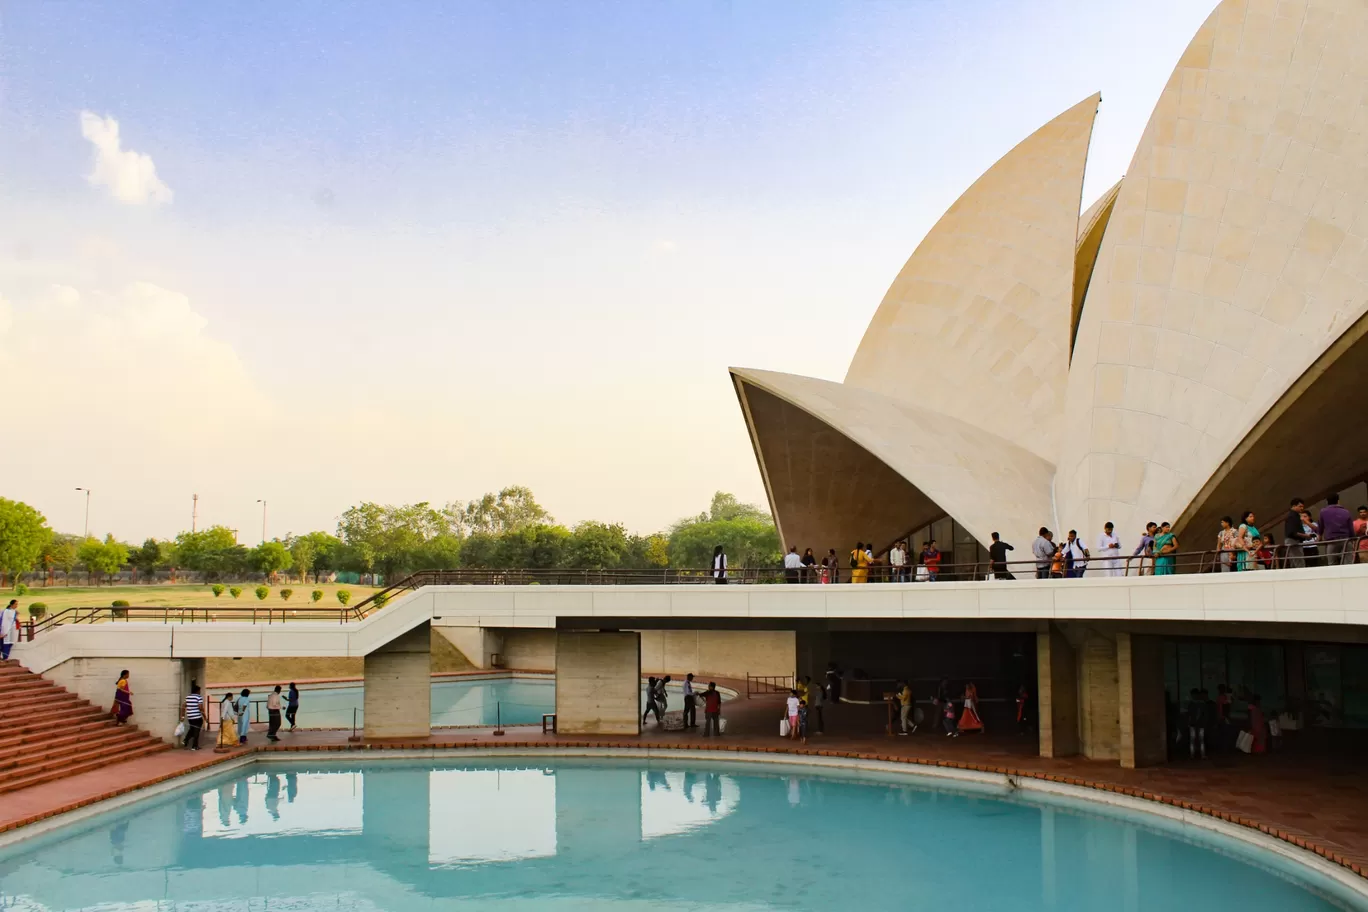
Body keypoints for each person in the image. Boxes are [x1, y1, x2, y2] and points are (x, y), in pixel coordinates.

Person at [1320, 493, 1355, 565]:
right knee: (1348, 562)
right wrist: (1353, 539)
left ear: (1327, 501)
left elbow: (1321, 526)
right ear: (1338, 501)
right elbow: (1350, 528)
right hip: (1346, 540)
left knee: (1332, 563)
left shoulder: (1323, 512)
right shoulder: (1346, 512)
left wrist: (1319, 535)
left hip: (1332, 541)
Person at [1282, 498, 1309, 568]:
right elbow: (1292, 532)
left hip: (1294, 540)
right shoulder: (1292, 516)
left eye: (1302, 506)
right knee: (1299, 563)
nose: (1302, 508)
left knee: (1295, 563)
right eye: (1300, 506)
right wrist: (1305, 535)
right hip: (1293, 541)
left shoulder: (1295, 515)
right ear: (1294, 506)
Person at [1187, 688, 1208, 759]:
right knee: (1201, 740)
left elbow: (1189, 714)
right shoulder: (1202, 704)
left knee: (1192, 740)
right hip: (1201, 724)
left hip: (1193, 724)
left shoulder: (1191, 704)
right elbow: (1204, 715)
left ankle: (1192, 755)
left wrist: (1189, 722)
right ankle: (1202, 755)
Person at [183, 684, 204, 750]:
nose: (200, 692)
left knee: (192, 729)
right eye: (199, 690)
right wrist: (205, 716)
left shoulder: (188, 697)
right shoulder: (199, 697)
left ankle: (185, 740)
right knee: (196, 732)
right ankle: (194, 746)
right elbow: (200, 707)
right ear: (197, 691)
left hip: (190, 717)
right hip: (197, 717)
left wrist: (182, 716)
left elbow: (183, 706)